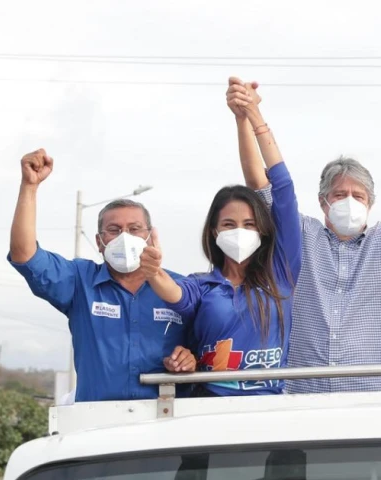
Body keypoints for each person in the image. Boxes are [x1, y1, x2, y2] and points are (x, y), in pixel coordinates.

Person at [231, 78, 381, 393]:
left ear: (370, 204)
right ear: (323, 201)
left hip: (376, 393)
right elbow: (259, 184)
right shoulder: (300, 234)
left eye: (358, 196)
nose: (349, 201)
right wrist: (245, 116)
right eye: (340, 193)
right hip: (304, 391)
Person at [139, 81, 302, 397]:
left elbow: (283, 187)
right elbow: (174, 294)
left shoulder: (281, 273)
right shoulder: (201, 286)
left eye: (248, 224)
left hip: (269, 408)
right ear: (214, 231)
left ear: (263, 231)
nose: (239, 231)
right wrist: (154, 271)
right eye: (228, 223)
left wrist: (251, 116)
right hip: (210, 408)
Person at [8, 149, 196, 402]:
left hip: (166, 420)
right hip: (97, 423)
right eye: (114, 230)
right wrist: (29, 186)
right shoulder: (79, 281)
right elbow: (24, 254)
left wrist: (190, 359)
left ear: (150, 237)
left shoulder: (182, 288)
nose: (125, 236)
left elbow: (209, 346)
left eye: (135, 229)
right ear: (99, 241)